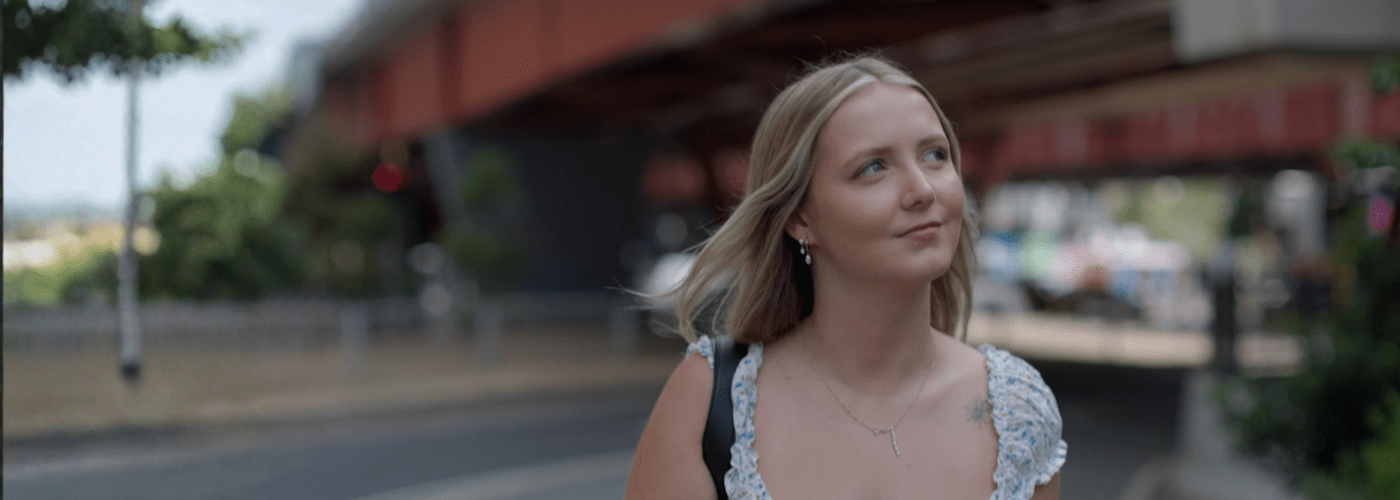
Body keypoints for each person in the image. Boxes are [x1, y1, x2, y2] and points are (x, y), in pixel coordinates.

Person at [624, 55, 1066, 500]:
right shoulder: (710, 401)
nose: (922, 190)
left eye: (935, 154)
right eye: (873, 167)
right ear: (799, 218)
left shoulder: (1016, 412)